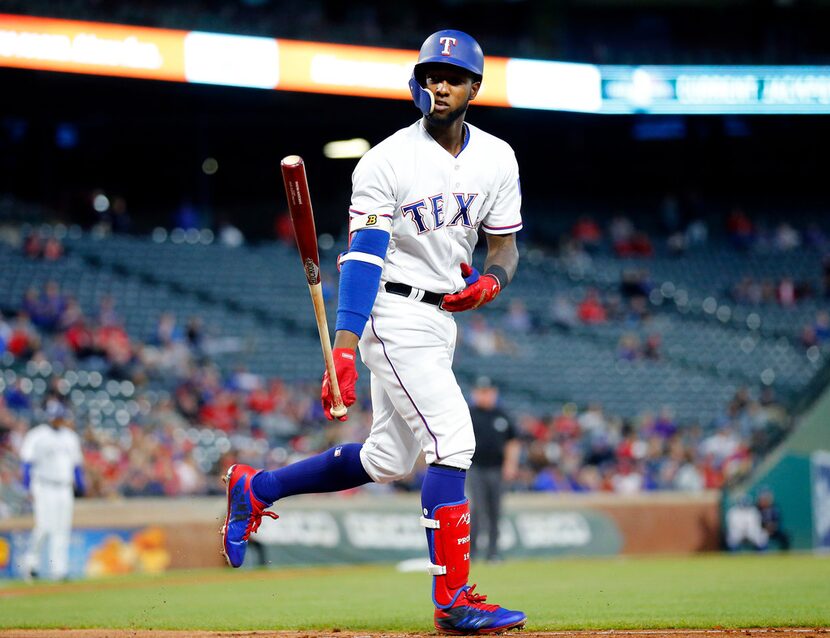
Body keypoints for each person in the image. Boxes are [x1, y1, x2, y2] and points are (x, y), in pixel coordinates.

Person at [221, 29, 526, 634]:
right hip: (394, 313)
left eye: (452, 76)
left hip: (443, 320)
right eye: (430, 74)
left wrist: (490, 283)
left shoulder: (498, 156)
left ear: (474, 87)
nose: (439, 85)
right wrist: (343, 344)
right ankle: (455, 598)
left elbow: (505, 247)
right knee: (453, 443)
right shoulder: (385, 159)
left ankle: (256, 488)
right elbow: (363, 255)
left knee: (387, 459)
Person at [20, 399, 85, 580]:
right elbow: (26, 463)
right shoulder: (37, 435)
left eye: (60, 416)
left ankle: (59, 571)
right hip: (44, 485)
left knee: (62, 529)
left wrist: (81, 485)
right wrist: (27, 488)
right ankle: (31, 565)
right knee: (44, 526)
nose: (58, 419)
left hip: (64, 487)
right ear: (48, 417)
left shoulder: (70, 437)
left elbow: (76, 465)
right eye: (55, 416)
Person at [466, 377, 520, 562]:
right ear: (475, 393)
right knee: (477, 509)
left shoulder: (502, 415)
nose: (485, 395)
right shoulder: (469, 414)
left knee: (495, 510)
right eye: (481, 391)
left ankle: (493, 552)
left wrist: (510, 464)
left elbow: (512, 441)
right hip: (476, 467)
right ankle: (471, 552)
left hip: (497, 469)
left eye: (488, 391)